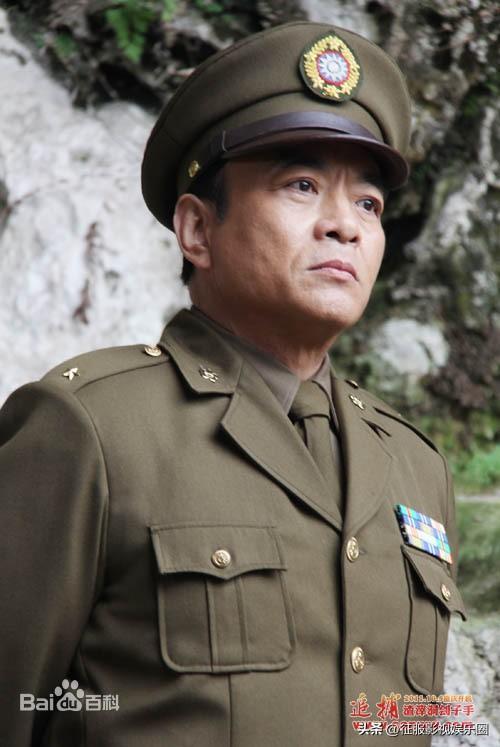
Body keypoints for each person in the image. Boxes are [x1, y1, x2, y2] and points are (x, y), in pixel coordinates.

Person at [0, 20, 467, 747]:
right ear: (197, 230)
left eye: (368, 204)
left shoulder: (416, 466)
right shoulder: (90, 428)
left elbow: (408, 719)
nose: (345, 226)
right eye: (302, 186)